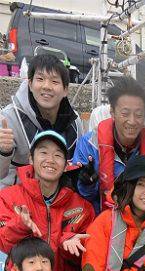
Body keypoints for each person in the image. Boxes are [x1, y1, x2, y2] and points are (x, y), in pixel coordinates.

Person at [0, 130, 95, 271]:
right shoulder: (9, 197)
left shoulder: (81, 206)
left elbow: (88, 254)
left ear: (66, 164)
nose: (50, 159)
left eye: (58, 155)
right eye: (43, 152)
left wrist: (68, 245)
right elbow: (3, 242)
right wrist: (19, 226)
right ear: (31, 159)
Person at [72, 76, 145, 214]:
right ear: (112, 112)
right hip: (99, 226)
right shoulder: (89, 145)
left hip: (141, 230)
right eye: (125, 113)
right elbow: (77, 200)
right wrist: (87, 184)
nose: (132, 121)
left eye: (138, 115)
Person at [0, 54, 83, 188]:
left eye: (54, 82)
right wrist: (4, 152)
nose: (46, 86)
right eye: (40, 79)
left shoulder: (74, 122)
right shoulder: (8, 119)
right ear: (30, 84)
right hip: (16, 201)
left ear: (65, 90)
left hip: (56, 199)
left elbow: (75, 166)